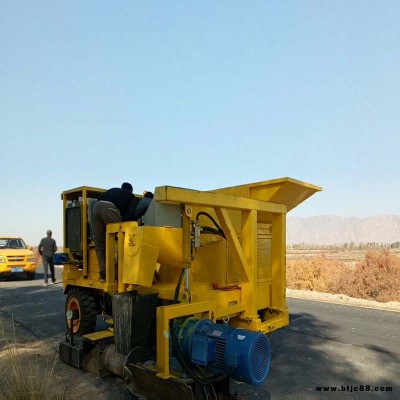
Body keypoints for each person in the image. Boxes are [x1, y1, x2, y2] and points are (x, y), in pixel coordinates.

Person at [93, 182, 138, 282]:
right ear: (131, 190)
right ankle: (117, 274)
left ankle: (103, 274)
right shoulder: (130, 196)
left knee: (100, 244)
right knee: (119, 240)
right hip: (109, 208)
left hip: (96, 208)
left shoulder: (113, 190)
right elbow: (129, 216)